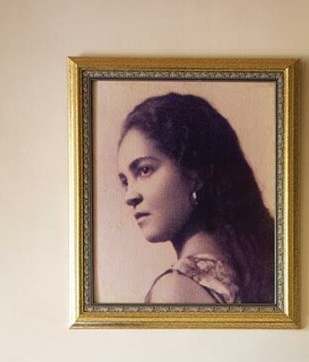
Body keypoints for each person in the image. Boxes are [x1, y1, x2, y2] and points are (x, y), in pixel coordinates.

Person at [117, 92, 275, 305]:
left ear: (195, 173)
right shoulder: (247, 273)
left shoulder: (176, 291)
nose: (130, 196)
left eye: (144, 170)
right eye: (125, 181)